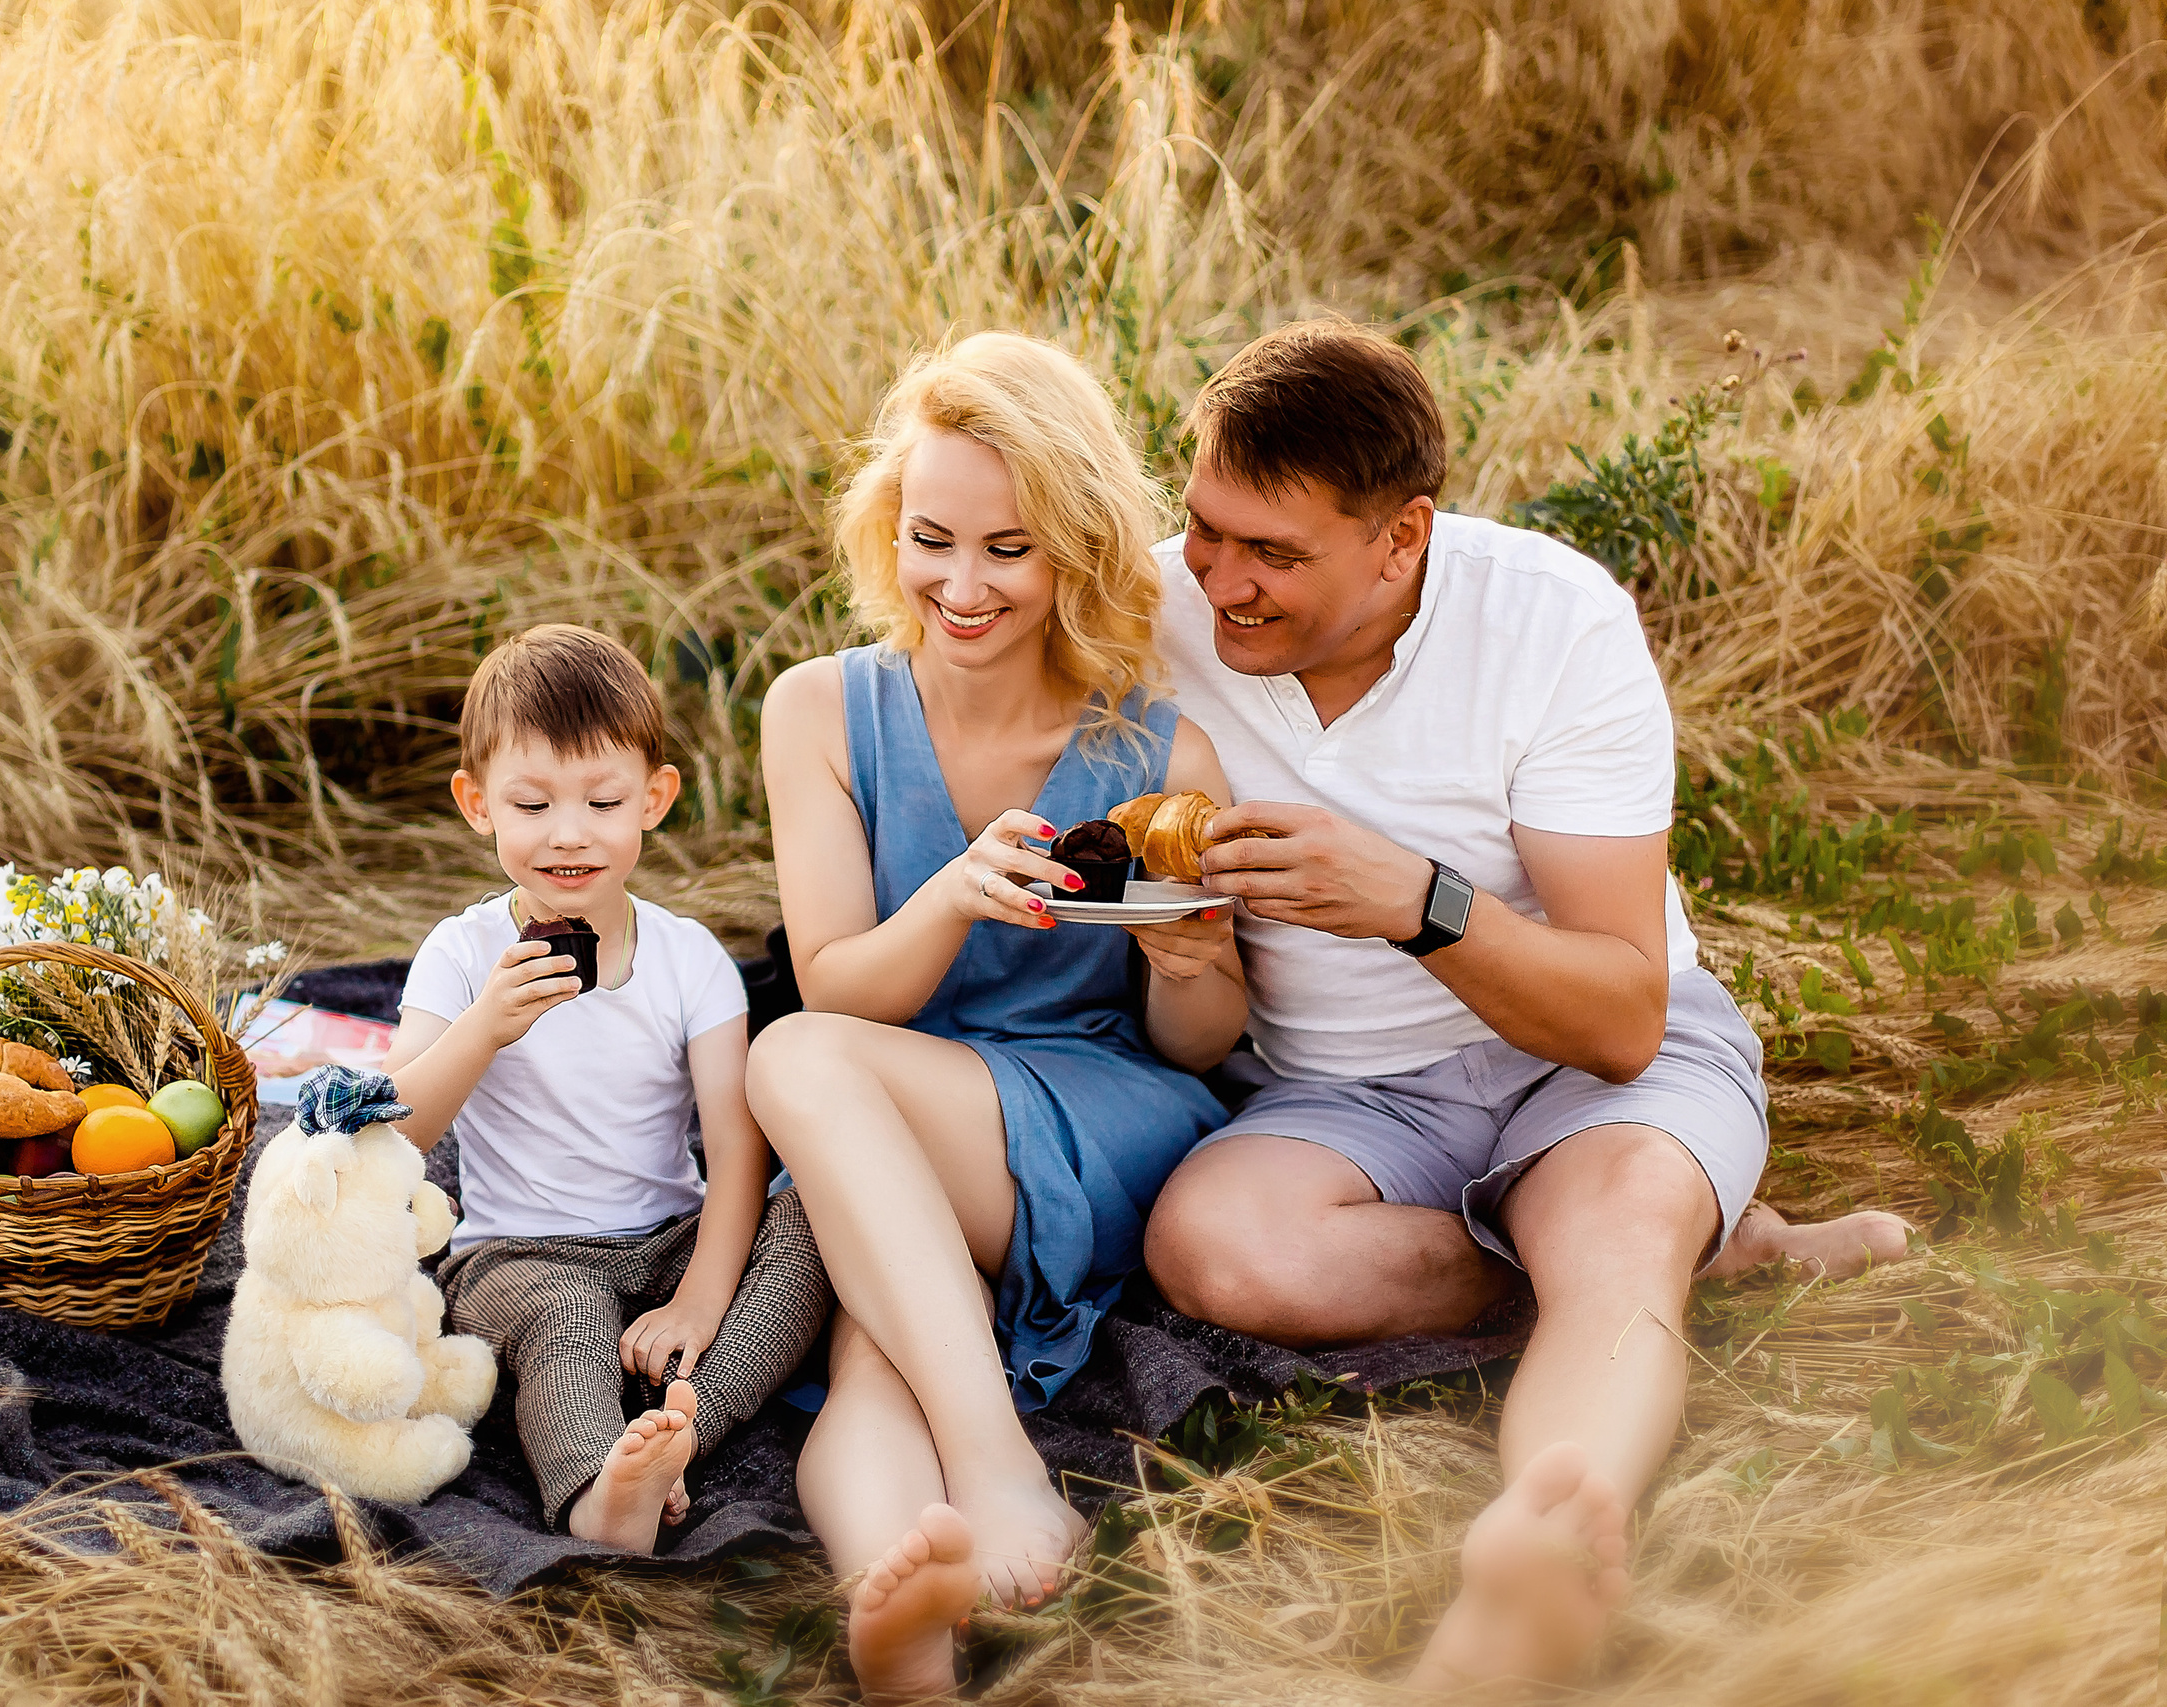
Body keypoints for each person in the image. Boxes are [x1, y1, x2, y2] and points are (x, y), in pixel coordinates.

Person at [1135, 319, 1914, 1690]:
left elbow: (1620, 1017)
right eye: (1204, 528)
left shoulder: (1552, 621)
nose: (1222, 581)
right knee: (1219, 1251)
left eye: (1274, 554)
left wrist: (1416, 902)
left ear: (1401, 537)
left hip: (1588, 1065)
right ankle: (1699, 1250)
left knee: (1610, 1216)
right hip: (1342, 1093)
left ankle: (1541, 1548)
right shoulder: (1153, 612)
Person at [745, 333, 1249, 1701]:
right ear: (888, 529)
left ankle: (998, 1466)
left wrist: (1193, 960)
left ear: (1075, 551)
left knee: (791, 1059)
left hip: (1094, 1113)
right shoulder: (819, 711)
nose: (961, 587)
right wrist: (953, 898)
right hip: (885, 1118)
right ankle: (899, 1597)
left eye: (1009, 551)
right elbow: (840, 980)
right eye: (931, 540)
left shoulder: (1161, 753)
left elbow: (1200, 1045)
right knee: (874, 1358)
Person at [382, 624, 830, 1550]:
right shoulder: (462, 954)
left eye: (604, 800)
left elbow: (735, 1150)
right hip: (517, 1255)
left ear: (653, 799)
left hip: (667, 1238)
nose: (570, 833)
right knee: (568, 1316)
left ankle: (686, 1422)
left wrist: (700, 1296)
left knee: (813, 1220)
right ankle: (600, 1491)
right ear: (477, 804)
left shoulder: (692, 960)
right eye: (532, 803)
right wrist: (484, 1027)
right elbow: (396, 1132)